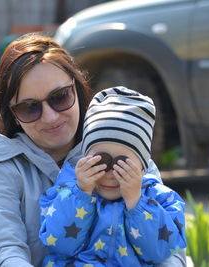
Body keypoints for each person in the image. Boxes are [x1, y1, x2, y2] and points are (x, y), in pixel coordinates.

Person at [0, 33, 187, 267]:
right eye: (29, 108)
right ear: (13, 115)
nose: (50, 117)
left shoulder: (124, 148)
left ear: (77, 89)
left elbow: (170, 254)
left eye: (59, 97)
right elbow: (2, 252)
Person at [39, 87, 186, 266]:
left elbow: (159, 253)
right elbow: (59, 244)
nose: (110, 174)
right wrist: (81, 193)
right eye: (101, 161)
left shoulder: (159, 197)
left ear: (142, 168)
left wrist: (136, 201)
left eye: (122, 165)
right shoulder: (68, 188)